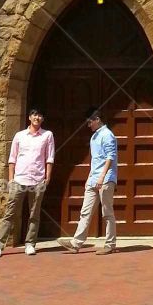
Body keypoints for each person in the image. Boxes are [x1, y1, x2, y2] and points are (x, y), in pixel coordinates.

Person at [0, 107, 54, 257]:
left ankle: (30, 243)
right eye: (34, 114)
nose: (37, 117)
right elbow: (12, 158)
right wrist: (11, 179)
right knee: (10, 212)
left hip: (37, 180)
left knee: (34, 214)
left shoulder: (47, 135)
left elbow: (49, 158)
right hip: (19, 179)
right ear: (29, 117)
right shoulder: (20, 136)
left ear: (43, 119)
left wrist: (47, 178)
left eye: (40, 115)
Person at [58, 107, 117, 255]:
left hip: (106, 179)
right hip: (93, 179)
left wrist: (102, 177)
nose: (88, 124)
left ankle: (110, 244)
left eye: (90, 121)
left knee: (107, 213)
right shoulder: (94, 137)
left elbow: (110, 157)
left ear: (97, 120)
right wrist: (90, 177)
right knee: (85, 212)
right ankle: (76, 243)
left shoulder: (107, 135)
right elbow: (95, 160)